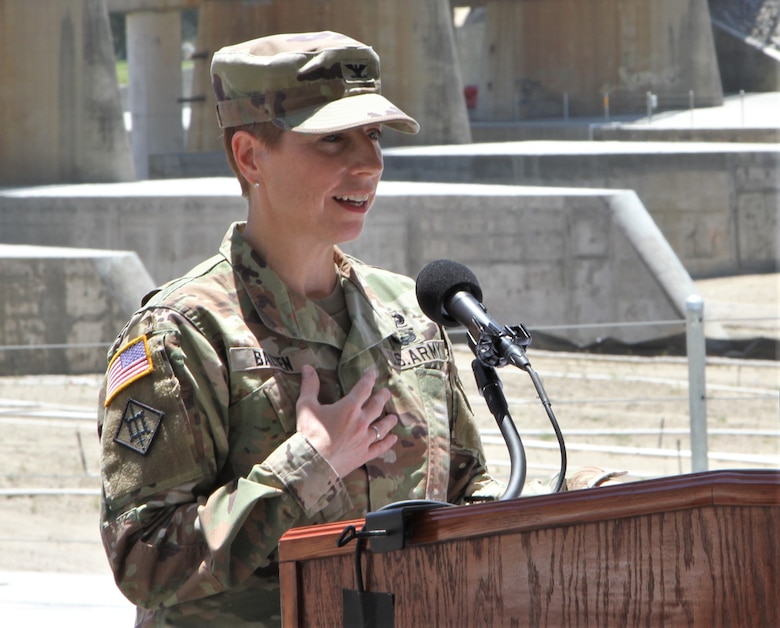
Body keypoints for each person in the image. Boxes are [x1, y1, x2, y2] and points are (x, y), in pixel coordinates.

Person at [98, 30, 502, 626]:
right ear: (250, 156)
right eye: (331, 139)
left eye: (371, 136)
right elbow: (143, 561)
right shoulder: (182, 335)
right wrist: (309, 462)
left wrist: (576, 497)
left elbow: (467, 492)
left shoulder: (409, 314)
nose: (367, 163)